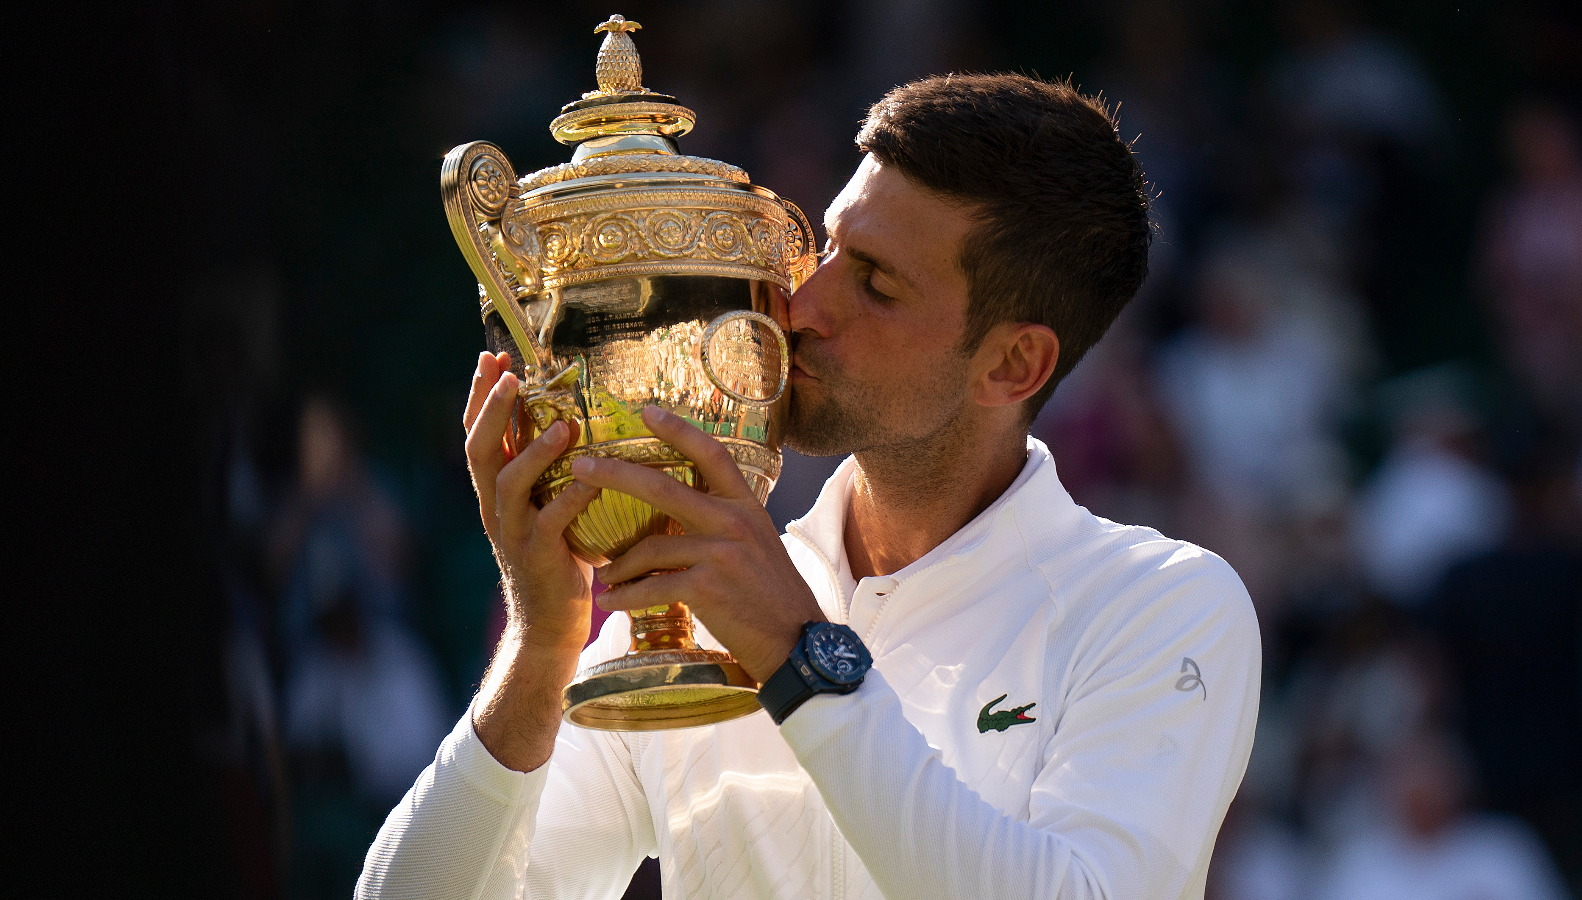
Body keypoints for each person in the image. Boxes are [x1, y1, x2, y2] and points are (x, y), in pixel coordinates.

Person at [358, 74, 1261, 900]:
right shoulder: (704, 604)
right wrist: (540, 645)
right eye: (827, 250)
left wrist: (802, 661)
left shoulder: (1164, 608)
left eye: (875, 285)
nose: (803, 307)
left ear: (1013, 363)